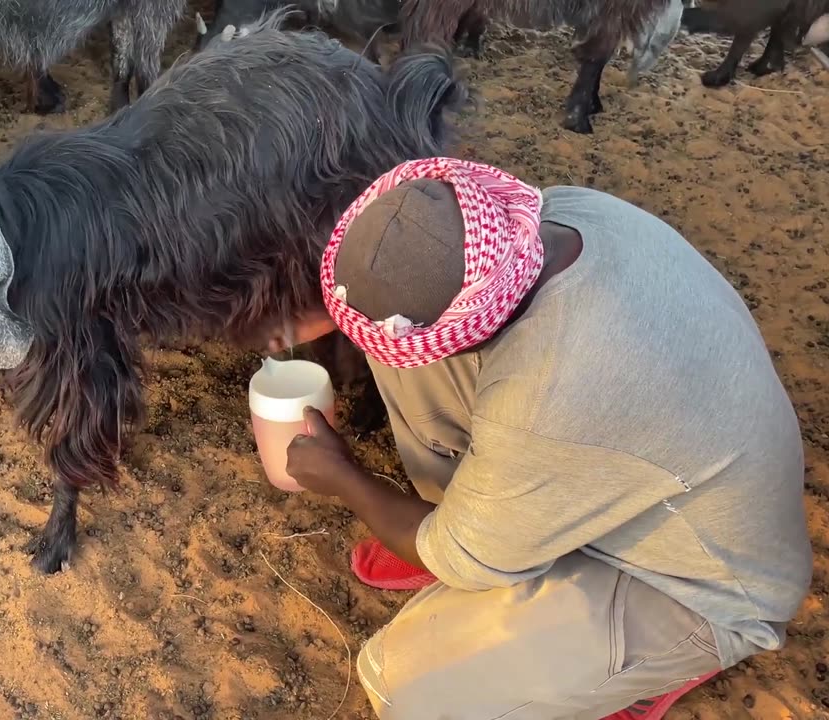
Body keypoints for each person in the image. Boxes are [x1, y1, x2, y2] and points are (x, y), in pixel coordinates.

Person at [264, 157, 812, 719]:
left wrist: (345, 478)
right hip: (633, 456)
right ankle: (477, 530)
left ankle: (646, 671)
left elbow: (541, 423)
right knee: (399, 351)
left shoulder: (546, 396)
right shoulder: (563, 216)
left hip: (696, 581)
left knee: (403, 685)